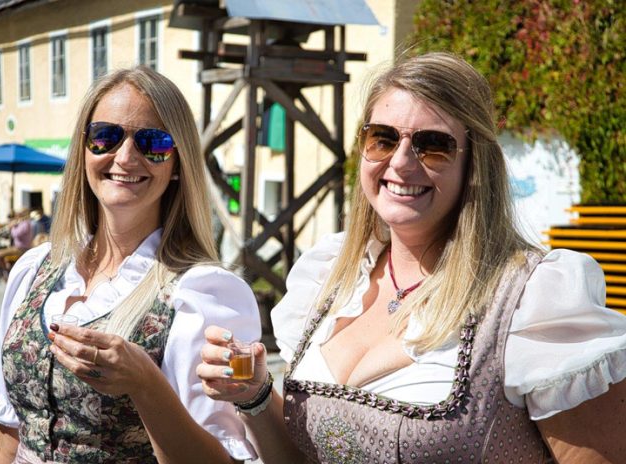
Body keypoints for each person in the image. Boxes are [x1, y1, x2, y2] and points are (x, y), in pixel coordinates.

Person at [197, 52, 626, 463]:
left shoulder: (531, 300)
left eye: (433, 145)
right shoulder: (331, 276)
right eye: (382, 138)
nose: (400, 163)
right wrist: (253, 395)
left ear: (474, 165)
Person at [0, 66, 261, 463]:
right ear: (84, 149)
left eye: (153, 143)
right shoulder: (34, 270)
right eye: (105, 137)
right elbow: (7, 435)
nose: (125, 157)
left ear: (178, 164)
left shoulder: (202, 294)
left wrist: (146, 383)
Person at [0, 210, 33, 275]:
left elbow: (16, 234)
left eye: (16, 215)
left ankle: (8, 272)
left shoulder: (25, 223)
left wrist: (11, 227)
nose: (15, 218)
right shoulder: (20, 224)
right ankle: (8, 271)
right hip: (17, 248)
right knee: (1, 256)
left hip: (22, 249)